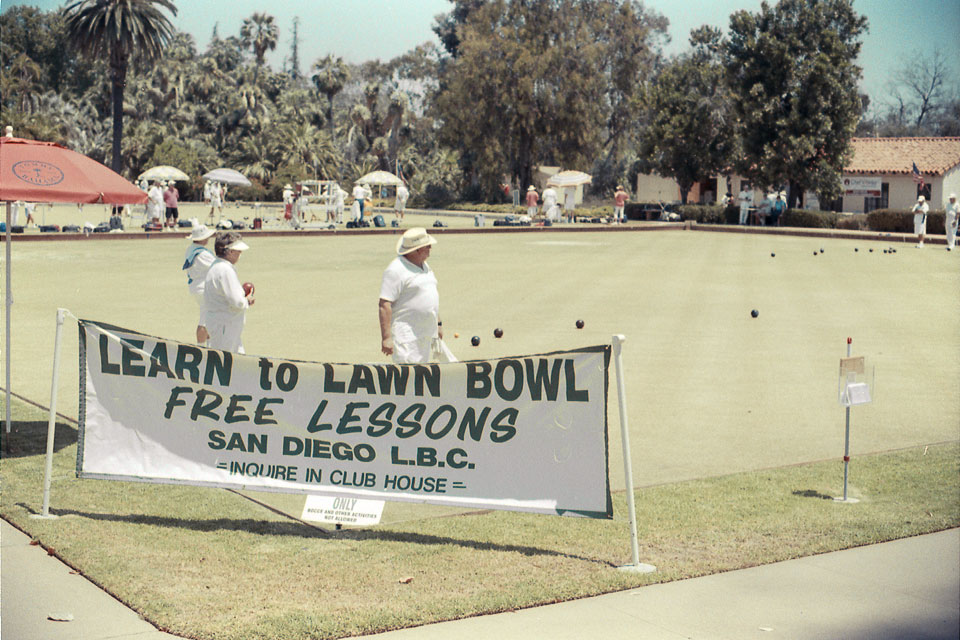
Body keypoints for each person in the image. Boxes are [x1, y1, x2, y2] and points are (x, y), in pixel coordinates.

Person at [379, 227, 443, 364]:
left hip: (425, 334)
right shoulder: (395, 270)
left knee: (420, 376)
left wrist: (438, 324)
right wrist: (386, 338)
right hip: (406, 337)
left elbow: (431, 295)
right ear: (417, 250)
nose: (430, 247)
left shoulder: (425, 265)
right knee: (407, 378)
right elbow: (384, 304)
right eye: (427, 246)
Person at [203, 231, 254, 353]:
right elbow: (237, 302)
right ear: (230, 251)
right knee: (227, 361)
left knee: (236, 358)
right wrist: (247, 300)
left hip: (221, 323)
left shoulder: (217, 266)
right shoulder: (225, 270)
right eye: (238, 251)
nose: (240, 254)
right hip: (225, 325)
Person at [183, 224, 216, 344]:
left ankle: (208, 346)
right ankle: (201, 348)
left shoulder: (192, 249)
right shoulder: (203, 254)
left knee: (208, 317)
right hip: (203, 288)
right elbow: (217, 266)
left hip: (197, 287)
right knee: (205, 319)